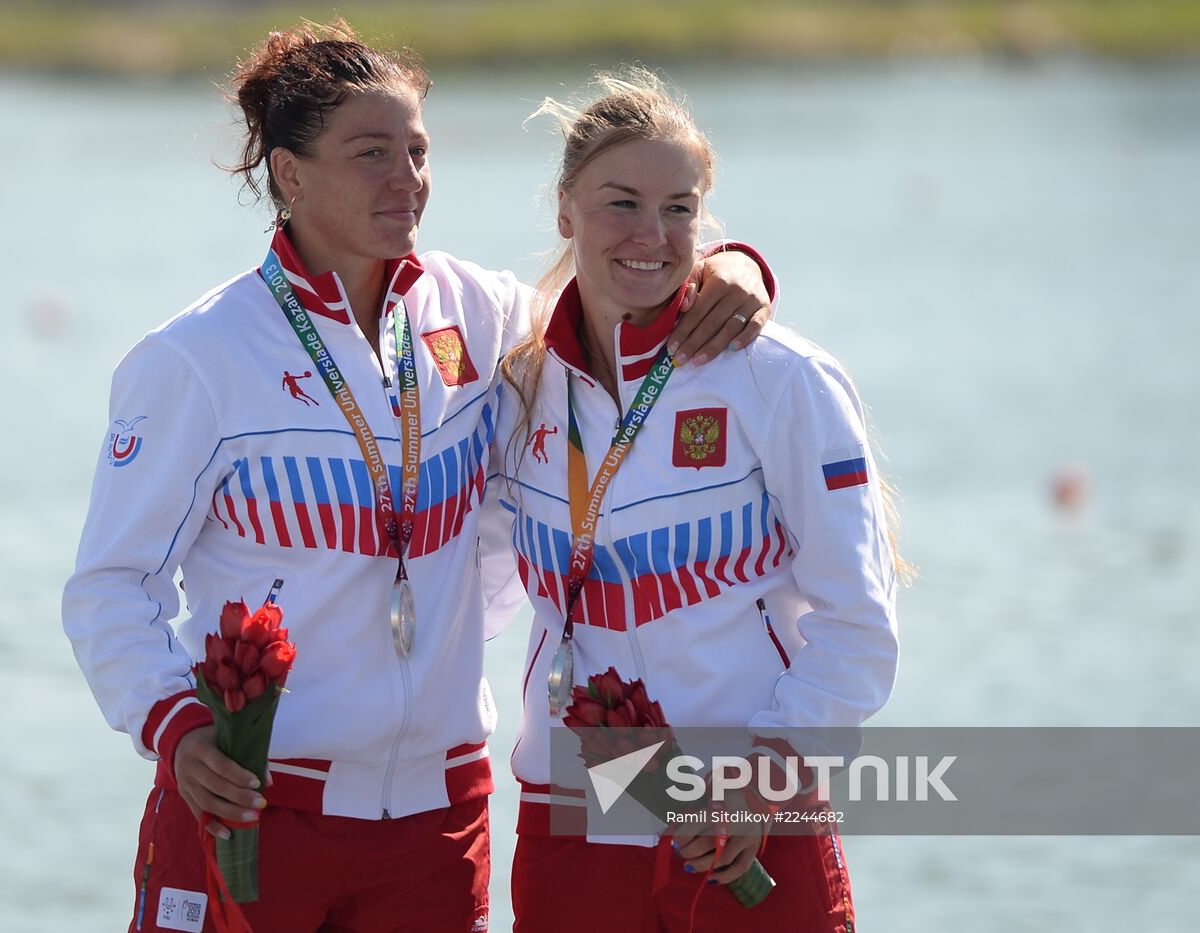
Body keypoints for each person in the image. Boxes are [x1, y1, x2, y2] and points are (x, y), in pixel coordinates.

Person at [61, 22, 776, 933]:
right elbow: (109, 587)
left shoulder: (476, 312)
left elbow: (615, 293)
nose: (408, 179)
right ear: (289, 173)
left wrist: (730, 265)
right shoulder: (194, 359)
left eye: (418, 151)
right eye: (371, 154)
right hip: (251, 809)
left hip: (438, 826)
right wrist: (175, 725)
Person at [496, 71, 900, 932]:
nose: (654, 235)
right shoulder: (516, 385)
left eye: (680, 208)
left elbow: (859, 624)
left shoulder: (779, 377)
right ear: (564, 208)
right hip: (573, 819)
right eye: (623, 203)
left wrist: (764, 783)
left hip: (746, 824)